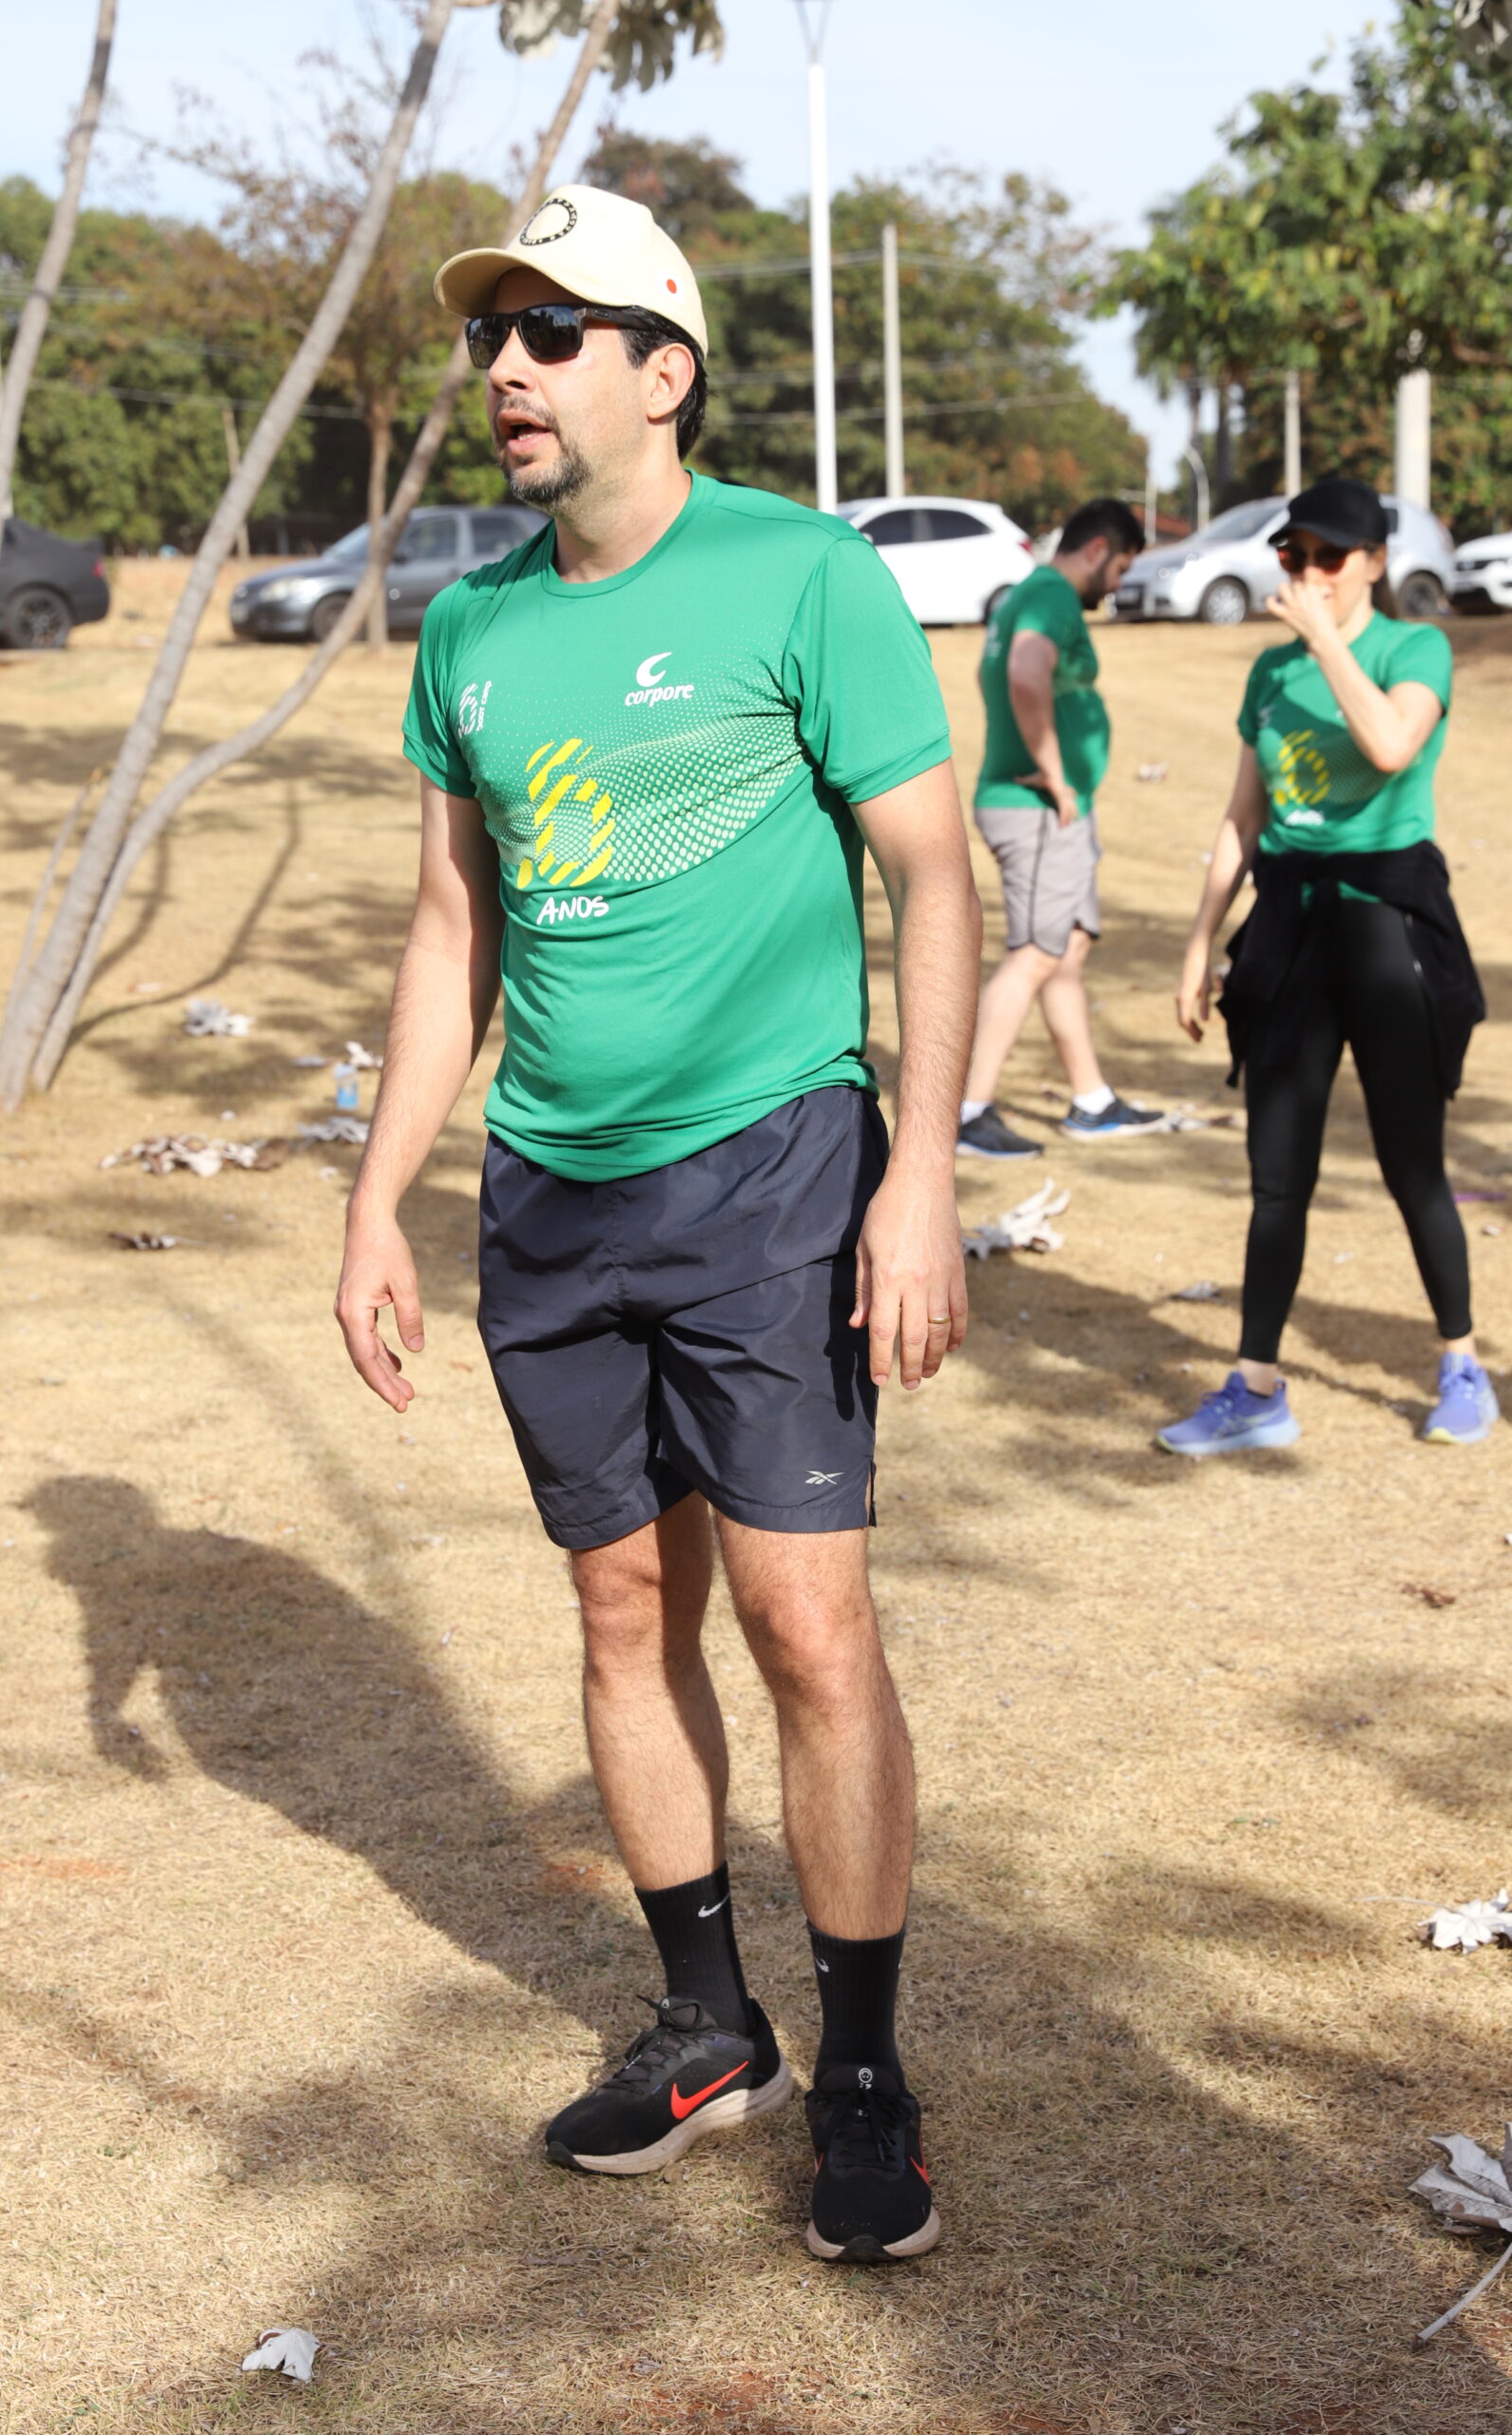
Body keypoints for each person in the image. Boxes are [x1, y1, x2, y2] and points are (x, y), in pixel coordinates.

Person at [332, 185, 981, 2263]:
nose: (506, 369)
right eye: (491, 335)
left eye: (554, 330)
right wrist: (377, 1198)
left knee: (806, 1625)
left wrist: (919, 1172)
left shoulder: (802, 575)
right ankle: (712, 2030)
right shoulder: (468, 629)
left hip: (769, 1165)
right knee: (623, 1611)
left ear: (664, 368)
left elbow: (935, 876)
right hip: (550, 1191)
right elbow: (453, 931)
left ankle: (861, 2070)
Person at [1160, 474, 1494, 1456]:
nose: (1306, 572)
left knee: (1410, 1164)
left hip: (1387, 923)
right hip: (1288, 927)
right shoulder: (1268, 673)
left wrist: (1325, 640)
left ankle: (1461, 1364)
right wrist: (1198, 941)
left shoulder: (1412, 648)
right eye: (1291, 554)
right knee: (1276, 1175)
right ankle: (1256, 1388)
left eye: (1327, 556)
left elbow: (1390, 745)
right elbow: (1241, 816)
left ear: (1373, 562)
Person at [956, 497, 1162, 1159]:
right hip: (1038, 808)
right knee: (1036, 954)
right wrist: (1053, 771)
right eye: (1122, 567)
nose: (1119, 584)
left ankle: (1091, 1102)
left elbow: (993, 672)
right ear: (1098, 549)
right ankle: (966, 1112)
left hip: (1039, 808)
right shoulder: (1051, 596)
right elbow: (1024, 672)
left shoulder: (1026, 593)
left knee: (1064, 949)